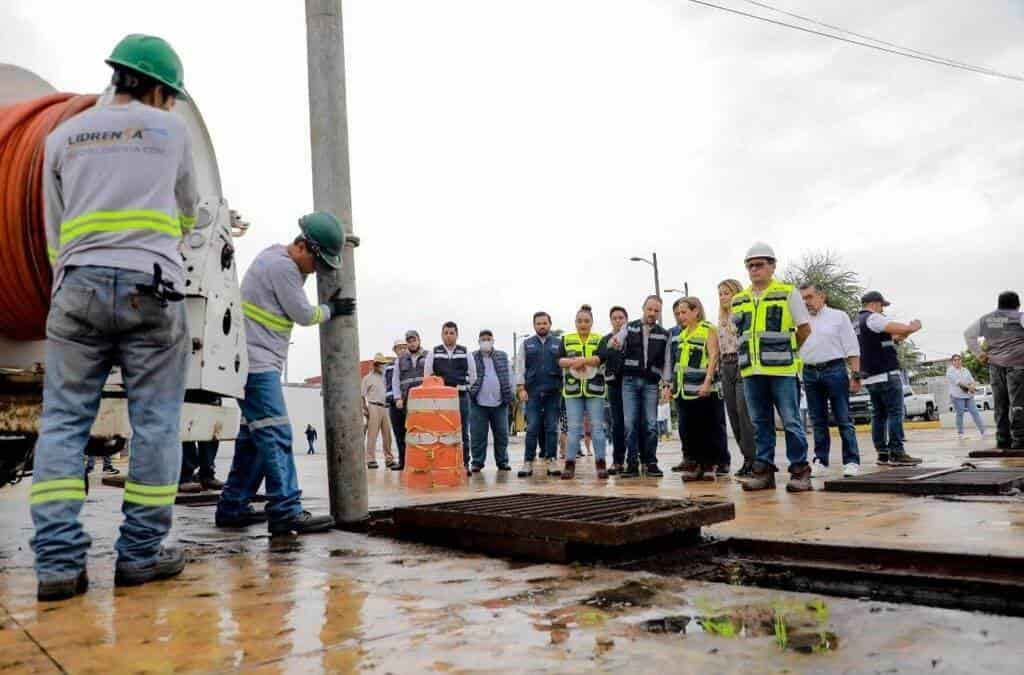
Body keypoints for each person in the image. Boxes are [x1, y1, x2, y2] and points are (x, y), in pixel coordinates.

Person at [31, 34, 195, 601]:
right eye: (168, 95)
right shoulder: (172, 130)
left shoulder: (62, 135)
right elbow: (192, 210)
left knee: (62, 425)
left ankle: (56, 565)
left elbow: (56, 224)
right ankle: (141, 555)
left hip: (75, 286)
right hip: (152, 291)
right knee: (155, 426)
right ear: (156, 88)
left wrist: (70, 280)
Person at [215, 211, 355, 534]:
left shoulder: (273, 257)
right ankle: (286, 511)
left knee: (254, 438)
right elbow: (304, 314)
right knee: (277, 434)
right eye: (317, 263)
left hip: (252, 363)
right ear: (303, 247)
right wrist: (332, 310)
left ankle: (233, 505)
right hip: (258, 365)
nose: (316, 271)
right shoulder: (284, 267)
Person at [732, 243, 814, 492]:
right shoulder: (739, 300)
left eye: (760, 264)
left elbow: (804, 329)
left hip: (782, 371)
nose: (754, 269)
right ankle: (764, 471)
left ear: (772, 266)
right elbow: (740, 334)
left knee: (790, 421)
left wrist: (787, 353)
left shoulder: (788, 293)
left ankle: (800, 470)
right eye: (750, 266)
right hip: (751, 371)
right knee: (760, 423)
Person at [799, 283, 862, 478]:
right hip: (809, 372)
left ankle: (851, 461)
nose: (805, 302)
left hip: (834, 370)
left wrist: (856, 375)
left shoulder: (839, 317)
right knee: (818, 420)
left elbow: (852, 347)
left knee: (843, 418)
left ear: (822, 296)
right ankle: (820, 460)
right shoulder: (799, 321)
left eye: (809, 297)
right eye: (802, 299)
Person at [855, 290, 923, 466]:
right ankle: (897, 452)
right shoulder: (873, 318)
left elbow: (894, 337)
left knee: (879, 415)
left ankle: (882, 453)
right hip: (886, 374)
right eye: (882, 306)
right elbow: (900, 329)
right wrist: (913, 326)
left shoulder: (857, 322)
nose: (882, 310)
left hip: (870, 377)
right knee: (895, 413)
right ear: (874, 304)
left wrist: (906, 333)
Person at [672, 298, 729, 481]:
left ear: (696, 311)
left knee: (707, 428)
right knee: (689, 429)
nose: (681, 316)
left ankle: (708, 466)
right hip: (683, 390)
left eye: (684, 312)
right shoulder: (682, 334)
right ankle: (694, 464)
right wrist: (671, 386)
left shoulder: (708, 329)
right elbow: (678, 364)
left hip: (702, 389)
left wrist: (707, 381)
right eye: (679, 313)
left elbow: (713, 356)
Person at [615, 296, 671, 478]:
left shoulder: (664, 334)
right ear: (643, 308)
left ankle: (651, 462)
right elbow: (617, 340)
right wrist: (615, 341)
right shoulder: (629, 327)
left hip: (651, 384)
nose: (652, 313)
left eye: (656, 310)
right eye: (650, 309)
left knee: (651, 425)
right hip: (629, 382)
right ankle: (631, 463)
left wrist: (667, 383)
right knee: (630, 424)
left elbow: (667, 362)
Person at [965, 291, 1024, 450]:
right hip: (1018, 365)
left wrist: (979, 354)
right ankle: (1020, 439)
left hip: (995, 366)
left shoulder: (987, 319)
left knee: (1000, 403)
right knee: (1018, 403)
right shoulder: (1019, 317)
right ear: (1017, 305)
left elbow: (968, 334)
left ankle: (1002, 439)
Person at [558, 305, 609, 479]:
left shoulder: (599, 339)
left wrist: (581, 361)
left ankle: (601, 463)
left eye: (586, 321)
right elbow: (560, 360)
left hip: (595, 390)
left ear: (592, 322)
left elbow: (600, 358)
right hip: (573, 391)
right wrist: (573, 362)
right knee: (573, 429)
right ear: (575, 322)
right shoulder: (566, 339)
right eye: (579, 321)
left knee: (597, 428)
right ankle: (569, 464)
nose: (583, 324)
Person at [716, 279, 757, 477]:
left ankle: (754, 458)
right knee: (732, 413)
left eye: (727, 292)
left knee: (744, 412)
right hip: (726, 365)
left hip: (742, 363)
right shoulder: (720, 320)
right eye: (721, 294)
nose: (723, 297)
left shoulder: (741, 315)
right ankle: (746, 457)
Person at [514, 312, 563, 477]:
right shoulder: (526, 344)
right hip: (532, 393)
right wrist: (521, 388)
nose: (542, 326)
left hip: (553, 392)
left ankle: (552, 460)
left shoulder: (559, 343)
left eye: (544, 323)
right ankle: (528, 462)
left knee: (551, 428)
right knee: (533, 427)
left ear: (550, 324)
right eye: (538, 323)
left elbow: (565, 367)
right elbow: (519, 366)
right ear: (534, 325)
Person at [424, 322, 477, 473]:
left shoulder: (465, 352)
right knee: (440, 432)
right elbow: (427, 376)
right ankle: (442, 464)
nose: (448, 335)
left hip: (460, 397)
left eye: (451, 333)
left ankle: (464, 463)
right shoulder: (433, 353)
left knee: (462, 432)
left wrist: (463, 387)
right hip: (440, 401)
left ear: (457, 334)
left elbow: (473, 376)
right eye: (446, 332)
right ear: (441, 334)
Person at [468, 329, 513, 472]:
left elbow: (509, 375)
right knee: (477, 435)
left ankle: (502, 462)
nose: (486, 341)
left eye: (488, 339)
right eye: (483, 339)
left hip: (500, 402)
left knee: (502, 434)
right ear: (479, 342)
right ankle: (477, 462)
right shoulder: (472, 357)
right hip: (478, 403)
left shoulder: (502, 356)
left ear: (493, 340)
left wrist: (511, 395)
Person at [391, 330, 428, 470]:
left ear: (419, 340)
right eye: (409, 341)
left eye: (414, 340)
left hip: (424, 402)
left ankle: (424, 461)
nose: (412, 343)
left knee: (425, 432)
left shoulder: (428, 356)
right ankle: (405, 462)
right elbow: (395, 380)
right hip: (407, 402)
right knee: (408, 432)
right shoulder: (400, 360)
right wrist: (397, 398)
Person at [602, 306, 631, 475]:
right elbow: (599, 358)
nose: (618, 320)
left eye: (621, 318)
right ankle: (618, 460)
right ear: (611, 320)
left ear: (626, 319)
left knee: (634, 423)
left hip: (632, 386)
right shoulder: (606, 339)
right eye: (615, 318)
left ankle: (637, 458)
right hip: (614, 387)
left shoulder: (633, 337)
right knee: (617, 424)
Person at [362, 353, 394, 469]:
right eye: (380, 364)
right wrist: (365, 409)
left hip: (385, 406)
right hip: (373, 406)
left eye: (383, 364)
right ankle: (370, 459)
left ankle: (389, 459)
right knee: (372, 434)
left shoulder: (386, 377)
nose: (382, 366)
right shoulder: (367, 378)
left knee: (387, 435)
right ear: (375, 365)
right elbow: (361, 395)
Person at [946, 354, 985, 438]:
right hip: (957, 396)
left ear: (961, 360)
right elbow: (959, 383)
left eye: (959, 359)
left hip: (968, 395)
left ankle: (983, 431)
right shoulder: (950, 371)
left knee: (975, 412)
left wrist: (973, 386)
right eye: (955, 360)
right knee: (960, 414)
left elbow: (972, 380)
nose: (957, 361)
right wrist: (970, 387)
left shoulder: (965, 370)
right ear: (952, 362)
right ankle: (960, 433)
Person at [385, 337, 410, 469]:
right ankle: (402, 461)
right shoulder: (390, 366)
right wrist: (392, 399)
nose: (402, 350)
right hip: (394, 405)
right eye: (399, 348)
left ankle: (412, 461)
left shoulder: (410, 363)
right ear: (395, 350)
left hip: (408, 404)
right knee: (399, 434)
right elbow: (388, 385)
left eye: (404, 347)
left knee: (411, 433)